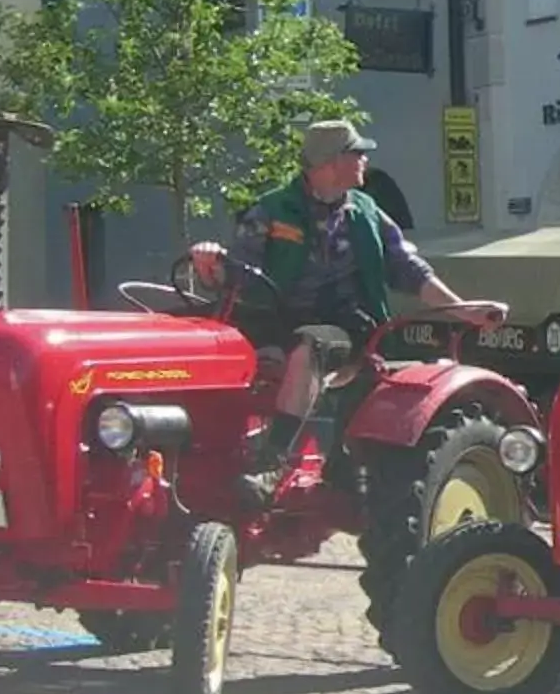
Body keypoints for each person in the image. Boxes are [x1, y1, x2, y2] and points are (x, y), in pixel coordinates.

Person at [189, 120, 506, 494]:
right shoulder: (273, 209)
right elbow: (237, 275)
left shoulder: (367, 212)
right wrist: (208, 266)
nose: (365, 159)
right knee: (208, 344)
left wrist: (462, 310)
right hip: (276, 319)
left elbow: (409, 270)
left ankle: (272, 463)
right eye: (357, 153)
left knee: (310, 346)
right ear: (331, 161)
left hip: (344, 326)